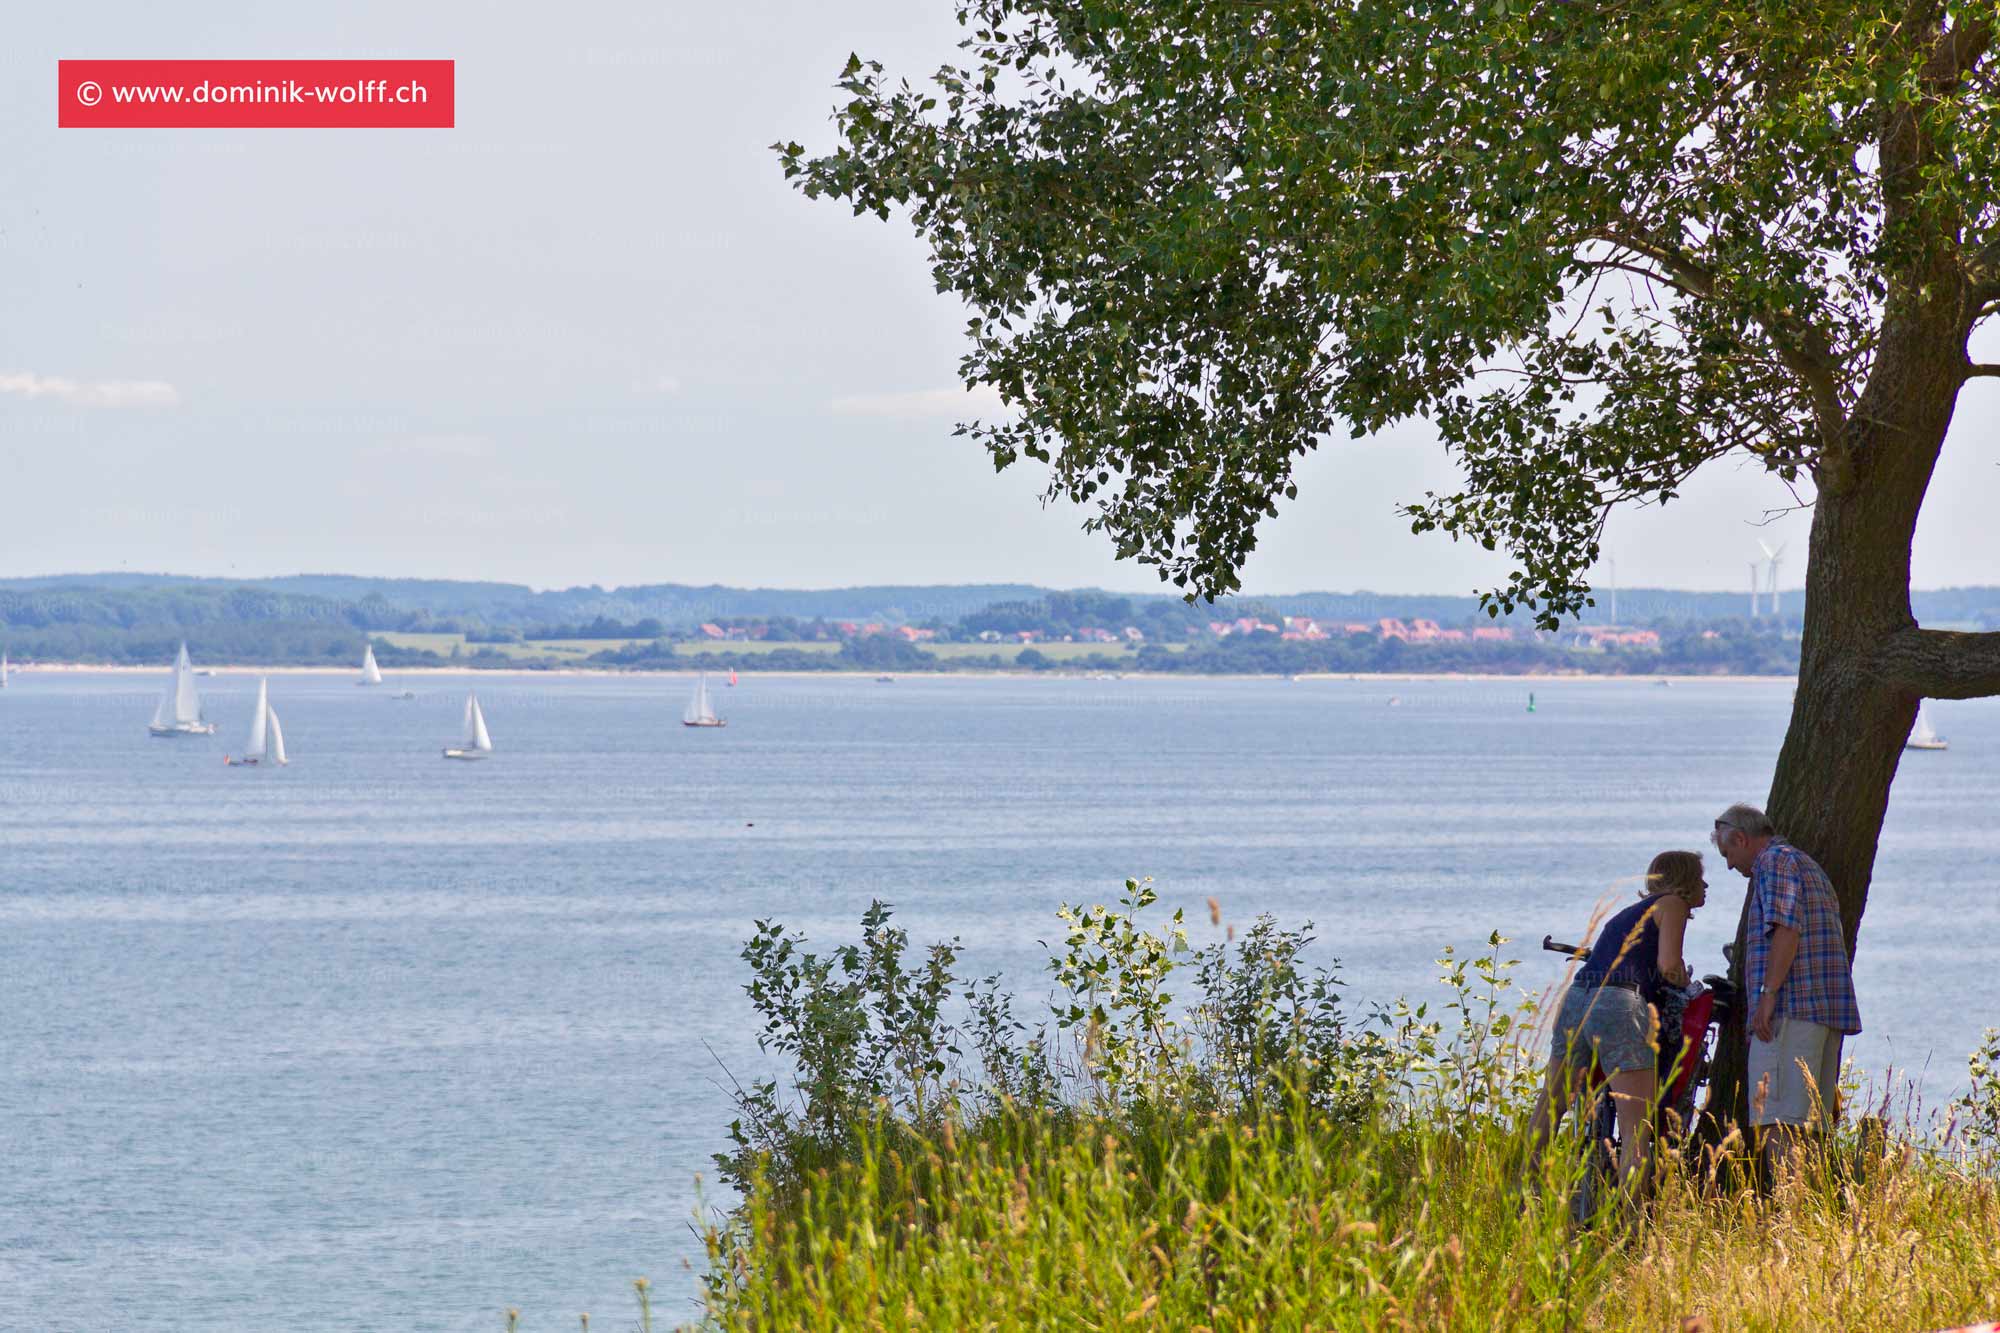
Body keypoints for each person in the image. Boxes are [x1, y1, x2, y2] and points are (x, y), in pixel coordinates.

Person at [1525, 850, 1708, 1196]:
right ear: (1684, 881)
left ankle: (1522, 1198)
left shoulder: (1627, 913)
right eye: (1700, 877)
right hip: (1619, 1002)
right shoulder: (1672, 904)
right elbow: (1669, 964)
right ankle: (1632, 1226)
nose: (1706, 884)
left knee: (1550, 1107)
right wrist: (1689, 987)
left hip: (1578, 997)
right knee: (1636, 1129)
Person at [1712, 803, 1861, 1181]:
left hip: (1791, 1010)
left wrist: (1767, 994)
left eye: (1728, 853)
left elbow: (1786, 928)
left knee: (1777, 1121)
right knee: (1807, 1126)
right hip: (1821, 1011)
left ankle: (1790, 1215)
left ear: (1742, 839)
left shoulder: (1774, 863)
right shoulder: (1804, 865)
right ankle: (1810, 1220)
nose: (1729, 865)